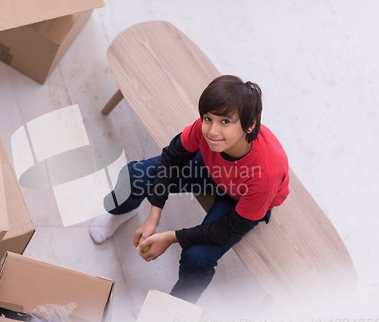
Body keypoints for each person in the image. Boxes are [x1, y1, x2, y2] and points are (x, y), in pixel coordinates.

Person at [89, 75, 289, 304]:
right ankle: (123, 211)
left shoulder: (265, 174)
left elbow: (229, 228)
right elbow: (172, 158)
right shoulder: (210, 132)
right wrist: (154, 216)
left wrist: (171, 237)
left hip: (240, 198)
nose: (212, 130)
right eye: (208, 118)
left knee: (197, 258)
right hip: (213, 170)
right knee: (134, 175)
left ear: (250, 125)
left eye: (226, 122)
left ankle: (174, 309)